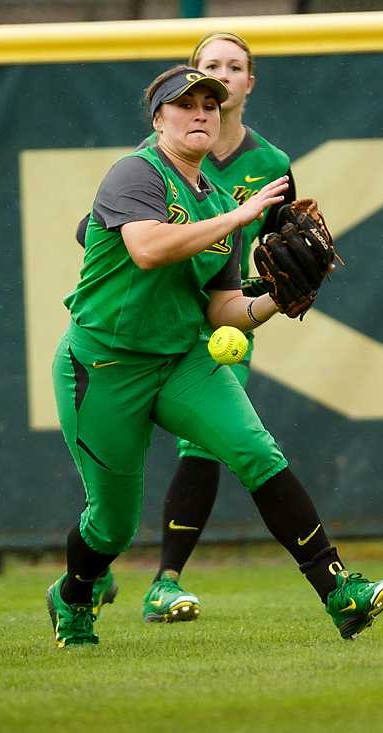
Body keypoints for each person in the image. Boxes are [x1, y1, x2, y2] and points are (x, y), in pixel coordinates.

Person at [47, 64, 383, 647]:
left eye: (211, 104)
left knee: (256, 452)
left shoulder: (215, 203)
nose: (201, 113)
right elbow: (146, 248)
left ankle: (339, 590)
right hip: (103, 364)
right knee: (112, 523)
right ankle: (74, 595)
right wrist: (236, 217)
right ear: (159, 119)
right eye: (186, 105)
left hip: (181, 359)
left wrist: (275, 302)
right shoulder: (136, 172)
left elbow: (224, 311)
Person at [78, 32, 301, 624]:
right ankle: (91, 571)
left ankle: (166, 581)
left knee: (220, 445)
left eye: (233, 69)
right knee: (113, 498)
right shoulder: (151, 161)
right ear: (169, 104)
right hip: (136, 329)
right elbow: (100, 235)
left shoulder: (270, 164)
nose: (219, 80)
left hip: (217, 323)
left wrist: (281, 285)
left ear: (247, 84)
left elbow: (278, 246)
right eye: (208, 68)